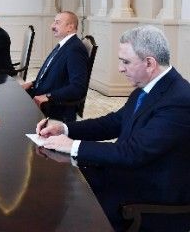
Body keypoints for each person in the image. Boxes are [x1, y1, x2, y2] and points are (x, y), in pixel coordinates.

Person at [37, 25, 190, 231]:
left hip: (150, 196)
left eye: (126, 62)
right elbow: (112, 123)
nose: (120, 68)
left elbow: (133, 152)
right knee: (54, 185)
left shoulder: (179, 100)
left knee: (64, 207)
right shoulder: (147, 87)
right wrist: (64, 129)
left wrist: (73, 146)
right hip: (127, 174)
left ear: (149, 63)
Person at [22, 11, 88, 122]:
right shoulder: (64, 45)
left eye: (57, 22)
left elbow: (78, 87)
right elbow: (55, 75)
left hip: (54, 107)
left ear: (70, 27)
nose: (52, 26)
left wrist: (48, 96)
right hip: (39, 95)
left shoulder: (75, 49)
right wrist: (32, 83)